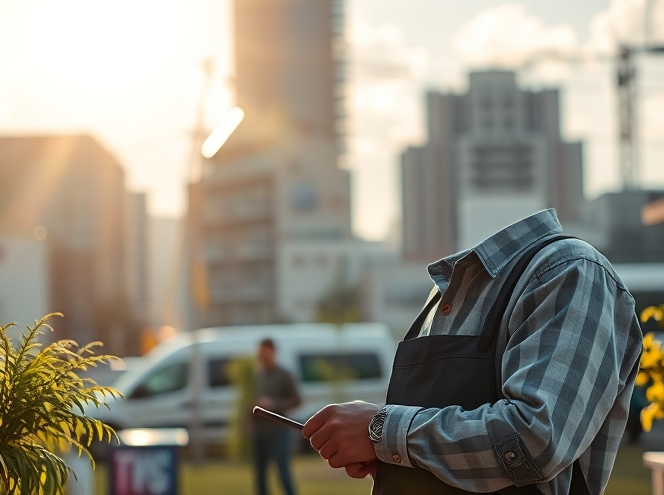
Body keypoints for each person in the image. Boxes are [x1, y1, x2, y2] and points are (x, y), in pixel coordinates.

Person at [302, 209, 642, 494]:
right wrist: (395, 457)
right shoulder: (443, 296)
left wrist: (379, 430)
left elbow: (536, 439)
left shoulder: (569, 270)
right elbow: (431, 441)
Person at [253, 337, 301, 495]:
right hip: (259, 432)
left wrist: (273, 404)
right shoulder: (257, 376)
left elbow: (297, 400)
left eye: (264, 352)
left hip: (278, 431)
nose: (261, 356)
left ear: (273, 352)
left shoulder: (283, 375)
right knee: (259, 477)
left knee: (283, 474)